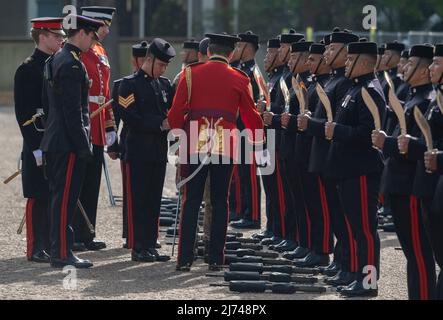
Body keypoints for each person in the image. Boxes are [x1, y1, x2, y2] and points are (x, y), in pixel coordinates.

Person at [168, 33, 264, 272]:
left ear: (209, 50)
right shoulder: (240, 78)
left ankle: (185, 259)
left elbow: (175, 114)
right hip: (225, 143)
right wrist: (259, 138)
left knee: (192, 201)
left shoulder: (190, 74)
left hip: (195, 141)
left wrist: (179, 137)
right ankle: (214, 258)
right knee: (221, 201)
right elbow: (251, 116)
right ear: (231, 54)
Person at [372, 44, 436, 299]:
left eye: (411, 64)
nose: (404, 67)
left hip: (411, 185)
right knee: (413, 254)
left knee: (419, 255)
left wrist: (387, 142)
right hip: (399, 183)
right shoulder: (414, 96)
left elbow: (418, 146)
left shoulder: (427, 100)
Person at [40, 14, 104, 268]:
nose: (92, 43)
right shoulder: (72, 63)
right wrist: (82, 145)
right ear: (83, 33)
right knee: (65, 199)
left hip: (58, 140)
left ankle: (60, 249)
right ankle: (62, 252)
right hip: (67, 144)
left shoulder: (59, 58)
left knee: (61, 198)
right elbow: (73, 111)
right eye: (91, 37)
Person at [297, 29, 359, 286]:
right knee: (335, 214)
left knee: (344, 218)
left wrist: (310, 124)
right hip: (322, 154)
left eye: (333, 49)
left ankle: (348, 265)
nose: (327, 53)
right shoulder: (333, 82)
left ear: (347, 54)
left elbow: (335, 124)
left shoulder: (344, 83)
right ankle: (341, 262)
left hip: (335, 157)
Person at [326, 40, 386, 297]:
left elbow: (368, 134)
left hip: (361, 170)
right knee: (354, 228)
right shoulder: (355, 88)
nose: (346, 63)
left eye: (350, 60)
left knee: (365, 230)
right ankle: (355, 273)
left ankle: (369, 282)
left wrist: (336, 130)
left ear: (363, 62)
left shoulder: (370, 90)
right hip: (348, 169)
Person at [117, 38, 176, 263]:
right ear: (148, 60)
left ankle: (151, 244)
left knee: (153, 200)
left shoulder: (163, 84)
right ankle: (138, 246)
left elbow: (172, 109)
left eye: (165, 66)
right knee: (138, 201)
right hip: (138, 151)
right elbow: (130, 117)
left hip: (158, 152)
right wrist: (160, 124)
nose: (162, 70)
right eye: (160, 65)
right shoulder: (128, 84)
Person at [14, 17, 65, 263]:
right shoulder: (28, 69)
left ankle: (52, 244)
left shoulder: (58, 64)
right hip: (39, 140)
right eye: (57, 36)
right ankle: (36, 247)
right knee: (38, 195)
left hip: (57, 141)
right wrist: (36, 148)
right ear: (42, 36)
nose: (61, 40)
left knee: (55, 194)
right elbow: (24, 114)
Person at [72, 6, 117, 252]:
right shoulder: (78, 51)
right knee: (78, 181)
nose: (107, 30)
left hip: (98, 124)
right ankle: (74, 232)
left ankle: (88, 231)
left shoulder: (99, 51)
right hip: (84, 119)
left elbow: (106, 92)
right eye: (103, 25)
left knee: (92, 183)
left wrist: (110, 127)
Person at [108, 41, 149, 248]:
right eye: (142, 60)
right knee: (131, 193)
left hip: (151, 145)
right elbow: (114, 119)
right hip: (129, 142)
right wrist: (112, 145)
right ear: (134, 61)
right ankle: (130, 234)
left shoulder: (159, 83)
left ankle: (149, 236)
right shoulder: (123, 84)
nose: (144, 64)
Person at [229, 30, 262, 230]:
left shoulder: (253, 73)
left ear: (248, 48)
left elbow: (257, 103)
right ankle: (242, 210)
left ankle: (253, 215)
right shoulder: (240, 69)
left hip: (248, 130)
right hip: (238, 128)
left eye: (239, 46)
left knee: (249, 173)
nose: (236, 50)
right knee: (240, 173)